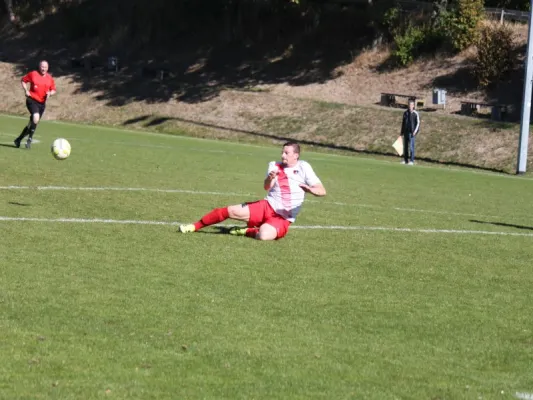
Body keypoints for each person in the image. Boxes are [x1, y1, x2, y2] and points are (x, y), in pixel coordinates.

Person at [178, 142, 326, 241]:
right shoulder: (274, 165)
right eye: (282, 152)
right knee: (230, 211)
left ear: (296, 155)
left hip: (283, 218)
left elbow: (322, 191)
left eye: (286, 153)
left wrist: (311, 190)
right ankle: (193, 227)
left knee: (263, 236)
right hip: (266, 206)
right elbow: (267, 187)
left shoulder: (304, 167)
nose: (282, 155)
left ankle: (246, 231)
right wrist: (270, 178)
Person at [14, 60, 56, 149]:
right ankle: (29, 140)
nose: (43, 68)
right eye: (42, 66)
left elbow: (53, 90)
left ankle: (18, 139)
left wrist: (50, 93)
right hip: (31, 100)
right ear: (39, 66)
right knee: (36, 117)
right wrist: (26, 90)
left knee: (32, 124)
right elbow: (23, 80)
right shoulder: (33, 74)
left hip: (42, 104)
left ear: (48, 68)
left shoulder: (50, 78)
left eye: (45, 67)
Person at [400, 99, 420, 165]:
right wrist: (401, 132)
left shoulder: (415, 113)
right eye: (409, 105)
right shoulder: (405, 113)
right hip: (405, 132)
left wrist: (415, 131)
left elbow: (418, 123)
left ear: (413, 106)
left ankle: (411, 160)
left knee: (411, 147)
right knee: (405, 147)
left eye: (411, 105)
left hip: (411, 133)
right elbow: (403, 123)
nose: (410, 106)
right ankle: (405, 160)